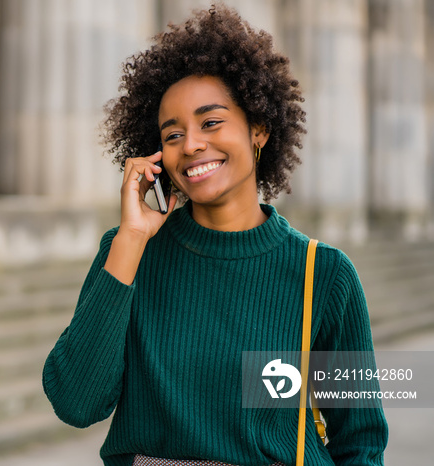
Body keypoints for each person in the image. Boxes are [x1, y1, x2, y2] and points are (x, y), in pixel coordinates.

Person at [42, 4, 388, 466]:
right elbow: (76, 403)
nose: (191, 144)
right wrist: (130, 239)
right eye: (172, 134)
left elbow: (360, 442)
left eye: (211, 122)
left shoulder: (323, 274)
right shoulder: (128, 252)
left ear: (259, 129)